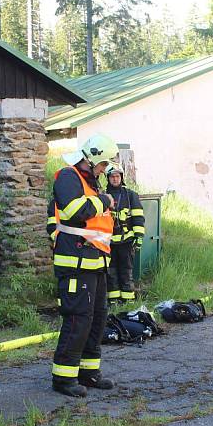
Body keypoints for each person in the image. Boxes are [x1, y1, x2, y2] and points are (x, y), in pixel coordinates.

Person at [46, 134, 119, 397]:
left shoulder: (90, 182)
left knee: (97, 319)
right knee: (77, 319)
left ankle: (88, 373)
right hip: (76, 262)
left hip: (95, 262)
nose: (104, 169)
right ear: (91, 159)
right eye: (103, 164)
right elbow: (74, 211)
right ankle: (63, 378)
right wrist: (104, 202)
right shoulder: (68, 176)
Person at [105, 165, 145, 303]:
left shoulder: (130, 195)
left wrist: (138, 236)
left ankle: (128, 300)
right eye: (112, 176)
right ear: (108, 178)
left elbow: (138, 217)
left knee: (126, 270)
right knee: (111, 271)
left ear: (121, 178)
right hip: (108, 242)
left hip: (126, 241)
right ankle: (114, 300)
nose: (115, 179)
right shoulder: (103, 195)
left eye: (117, 176)